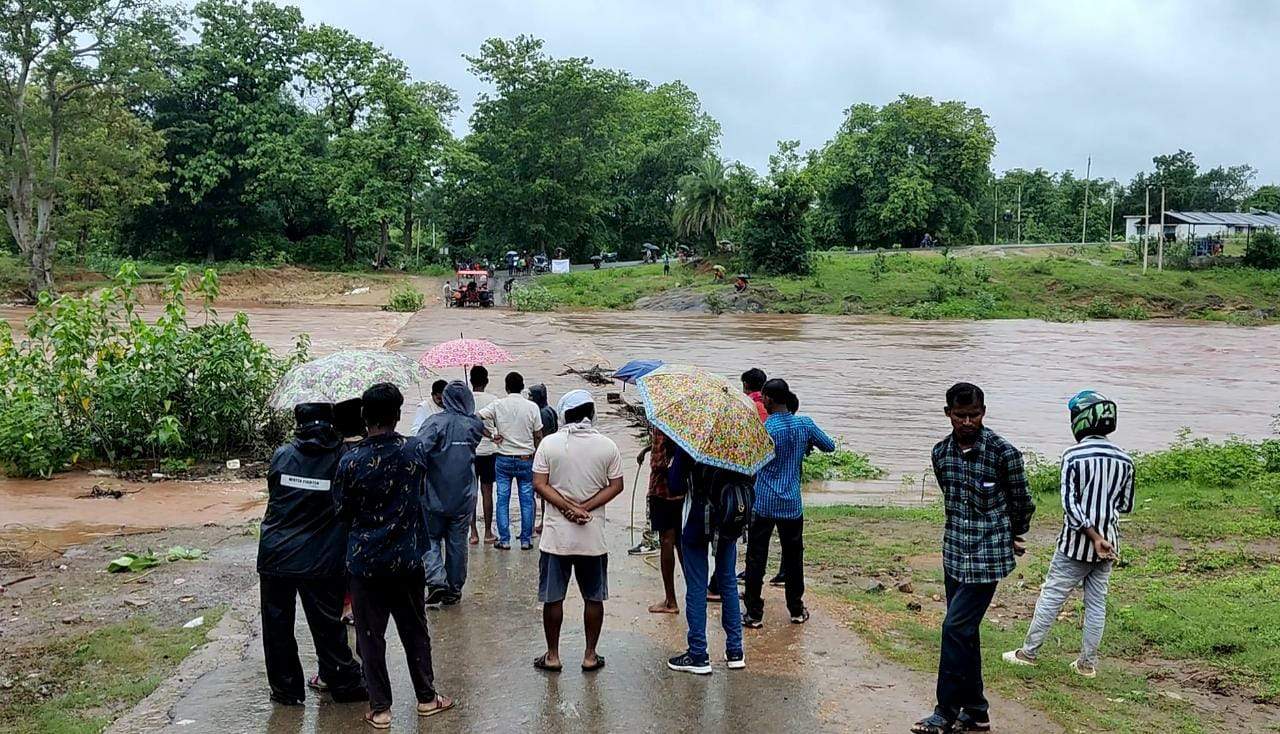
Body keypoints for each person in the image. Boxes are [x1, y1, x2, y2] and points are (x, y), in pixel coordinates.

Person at [912, 383, 1035, 734]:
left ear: (984, 412)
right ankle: (977, 712)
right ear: (947, 413)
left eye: (974, 415)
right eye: (960, 415)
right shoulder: (940, 453)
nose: (968, 421)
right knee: (965, 633)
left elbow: (1022, 501)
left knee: (953, 628)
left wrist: (1012, 533)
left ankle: (945, 712)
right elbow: (950, 497)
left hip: (988, 556)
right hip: (954, 553)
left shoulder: (1003, 453)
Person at [332, 384, 453, 729]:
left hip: (365, 562)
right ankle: (427, 699)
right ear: (398, 415)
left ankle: (381, 709)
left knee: (370, 637)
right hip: (408, 560)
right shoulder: (414, 452)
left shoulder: (349, 461)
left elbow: (341, 512)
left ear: (364, 417)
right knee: (415, 631)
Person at [1003, 391, 1133, 678]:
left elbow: (1069, 505)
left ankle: (1029, 652)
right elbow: (1125, 504)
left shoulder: (1073, 455)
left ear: (1080, 421)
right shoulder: (1125, 459)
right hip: (1109, 544)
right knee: (1097, 603)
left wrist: (1091, 534)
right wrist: (1102, 535)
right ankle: (1087, 664)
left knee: (1052, 595)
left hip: (1075, 544)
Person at [257, 403, 367, 706]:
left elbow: (276, 493)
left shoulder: (282, 455)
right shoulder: (341, 457)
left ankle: (286, 690)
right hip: (320, 557)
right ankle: (344, 682)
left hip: (276, 554)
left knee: (277, 627)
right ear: (331, 423)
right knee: (327, 624)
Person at [531, 390, 624, 673]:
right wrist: (584, 508)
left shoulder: (549, 444)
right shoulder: (608, 446)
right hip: (592, 537)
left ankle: (553, 655)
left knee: (553, 597)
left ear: (563, 415)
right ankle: (589, 655)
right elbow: (616, 485)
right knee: (593, 597)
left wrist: (567, 508)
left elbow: (539, 484)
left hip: (556, 537)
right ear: (591, 413)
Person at [742, 379, 835, 628]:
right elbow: (829, 446)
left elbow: (750, 464)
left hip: (764, 502)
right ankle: (795, 607)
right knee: (793, 557)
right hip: (792, 503)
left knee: (756, 557)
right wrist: (806, 445)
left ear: (769, 400)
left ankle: (754, 612)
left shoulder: (766, 429)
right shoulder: (803, 424)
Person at [666, 444, 748, 675]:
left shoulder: (691, 444)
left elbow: (674, 485)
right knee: (728, 582)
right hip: (730, 520)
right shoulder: (739, 446)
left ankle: (698, 654)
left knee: (696, 586)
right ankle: (735, 651)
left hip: (697, 521)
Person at [419, 381, 485, 608]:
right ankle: (454, 590)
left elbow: (419, 452)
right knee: (458, 543)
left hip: (434, 494)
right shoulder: (474, 425)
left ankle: (436, 580)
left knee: (430, 538)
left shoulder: (434, 423)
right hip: (464, 496)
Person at [478, 371, 544, 550]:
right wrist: (538, 456)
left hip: (503, 459)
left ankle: (505, 540)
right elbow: (538, 434)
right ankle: (526, 540)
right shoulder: (532, 407)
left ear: (506, 387)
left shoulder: (498, 404)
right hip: (526, 459)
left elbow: (476, 417)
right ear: (522, 387)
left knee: (502, 499)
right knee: (527, 499)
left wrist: (491, 435)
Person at [637, 425, 682, 614]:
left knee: (667, 541)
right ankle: (694, 594)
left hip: (663, 492)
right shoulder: (689, 422)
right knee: (682, 543)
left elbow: (657, 463)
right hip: (684, 492)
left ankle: (670, 600)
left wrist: (652, 451)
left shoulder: (662, 424)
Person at [470, 366, 499, 545]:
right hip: (489, 452)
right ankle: (488, 532)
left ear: (471, 381)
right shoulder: (494, 400)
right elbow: (498, 426)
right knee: (487, 492)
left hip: (470, 452)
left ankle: (473, 533)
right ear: (486, 381)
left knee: (471, 493)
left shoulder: (466, 402)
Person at [528, 384, 558, 535]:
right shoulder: (550, 410)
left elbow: (540, 436)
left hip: (544, 454)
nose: (529, 399)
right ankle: (546, 519)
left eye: (531, 396)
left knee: (543, 490)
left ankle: (543, 520)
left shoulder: (541, 413)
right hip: (554, 453)